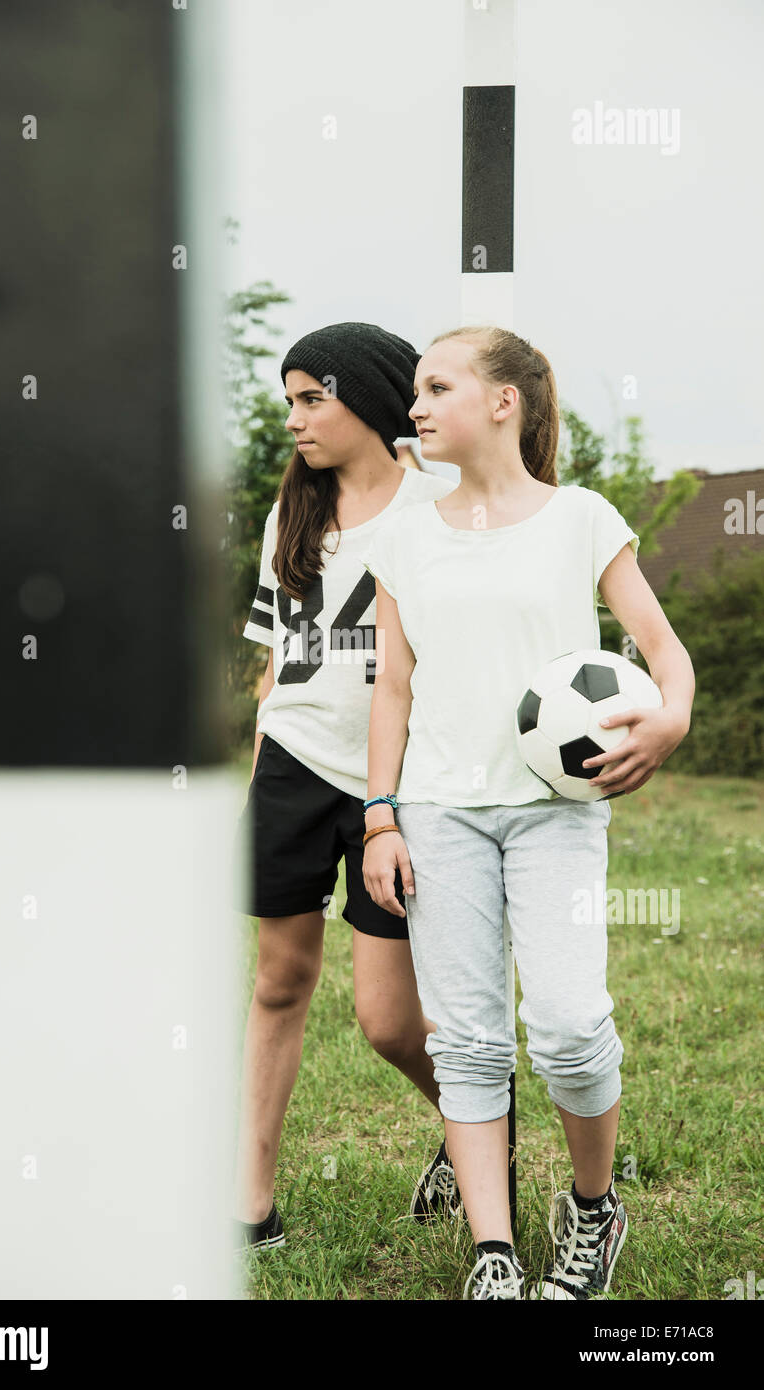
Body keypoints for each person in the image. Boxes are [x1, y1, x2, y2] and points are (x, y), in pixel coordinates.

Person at [361, 325, 695, 1299]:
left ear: (502, 401)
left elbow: (661, 650)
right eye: (414, 391)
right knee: (465, 1037)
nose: (414, 406)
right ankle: (495, 1254)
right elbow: (392, 687)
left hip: (555, 811)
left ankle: (594, 1210)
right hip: (436, 812)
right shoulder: (406, 534)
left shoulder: (582, 517)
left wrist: (668, 720)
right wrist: (380, 817)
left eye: (436, 386)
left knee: (567, 1024)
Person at [234, 322, 464, 1251]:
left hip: (392, 784)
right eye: (288, 400)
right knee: (278, 982)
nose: (294, 418)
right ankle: (249, 1204)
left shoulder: (443, 507)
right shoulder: (288, 515)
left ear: (367, 397)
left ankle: (477, 1117)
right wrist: (258, 774)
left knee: (384, 1021)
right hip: (290, 767)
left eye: (310, 398)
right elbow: (275, 667)